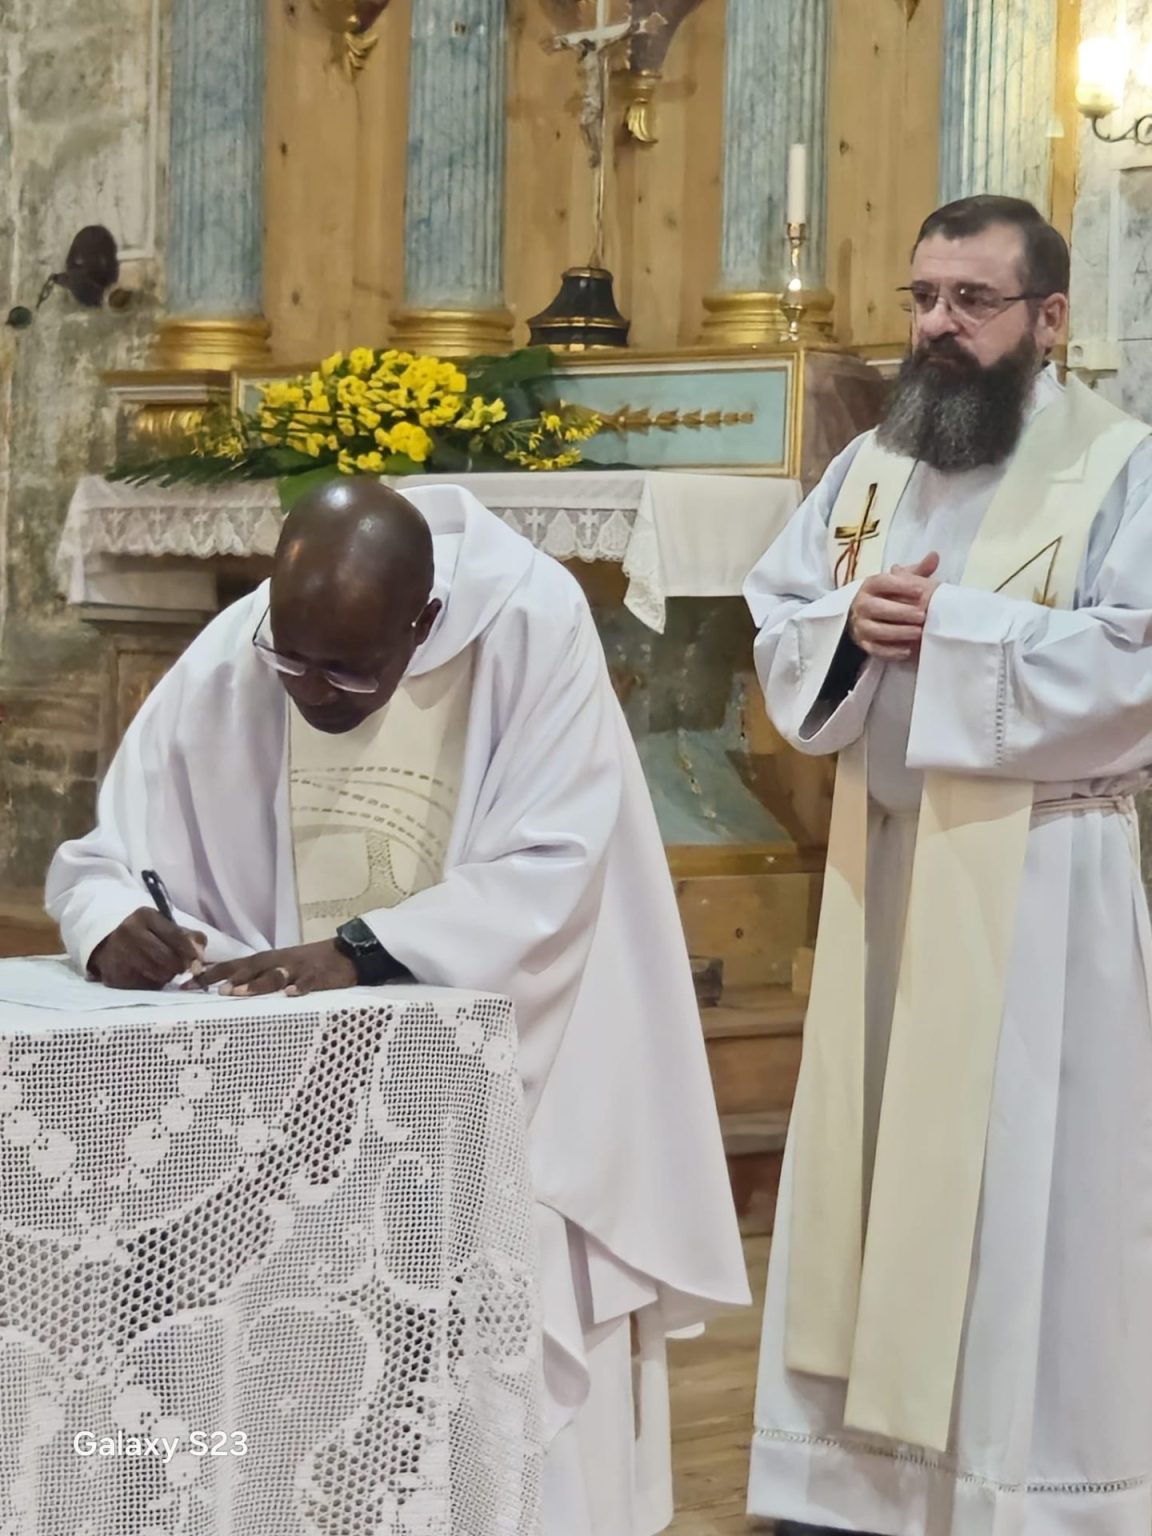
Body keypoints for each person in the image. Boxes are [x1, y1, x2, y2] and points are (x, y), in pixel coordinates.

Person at [47, 476, 749, 1536]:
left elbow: (555, 865)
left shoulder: (530, 624)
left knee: (496, 1390)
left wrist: (368, 950)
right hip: (290, 1101)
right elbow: (110, 849)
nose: (314, 693)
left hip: (513, 1068)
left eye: (350, 668)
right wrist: (105, 918)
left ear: (424, 621)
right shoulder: (253, 644)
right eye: (297, 661)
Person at [744, 195, 1152, 1536]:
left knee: (1039, 1195)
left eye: (970, 302)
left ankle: (1024, 1492)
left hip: (1042, 883)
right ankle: (850, 1486)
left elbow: (1139, 655)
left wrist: (958, 634)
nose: (935, 327)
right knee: (870, 1182)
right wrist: (849, 627)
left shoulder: (1122, 465)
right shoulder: (870, 466)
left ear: (1049, 320)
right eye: (922, 297)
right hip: (888, 875)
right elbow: (783, 612)